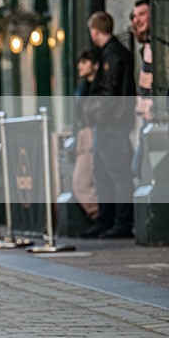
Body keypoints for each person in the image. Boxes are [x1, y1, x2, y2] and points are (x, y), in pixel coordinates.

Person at [84, 11, 136, 238]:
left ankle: (122, 221)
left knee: (117, 173)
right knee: (103, 173)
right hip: (109, 122)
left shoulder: (112, 55)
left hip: (112, 123)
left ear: (95, 31)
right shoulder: (111, 53)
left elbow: (109, 92)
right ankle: (106, 219)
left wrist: (95, 113)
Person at [72, 51, 99, 227]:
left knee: (92, 178)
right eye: (79, 62)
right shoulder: (82, 87)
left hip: (95, 130)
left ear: (94, 64)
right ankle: (96, 215)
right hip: (83, 133)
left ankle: (98, 215)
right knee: (80, 181)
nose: (79, 66)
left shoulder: (99, 86)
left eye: (84, 62)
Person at [130, 0, 152, 182]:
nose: (136, 20)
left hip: (156, 119)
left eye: (142, 14)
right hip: (147, 120)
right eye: (134, 16)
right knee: (138, 169)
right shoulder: (146, 47)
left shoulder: (155, 47)